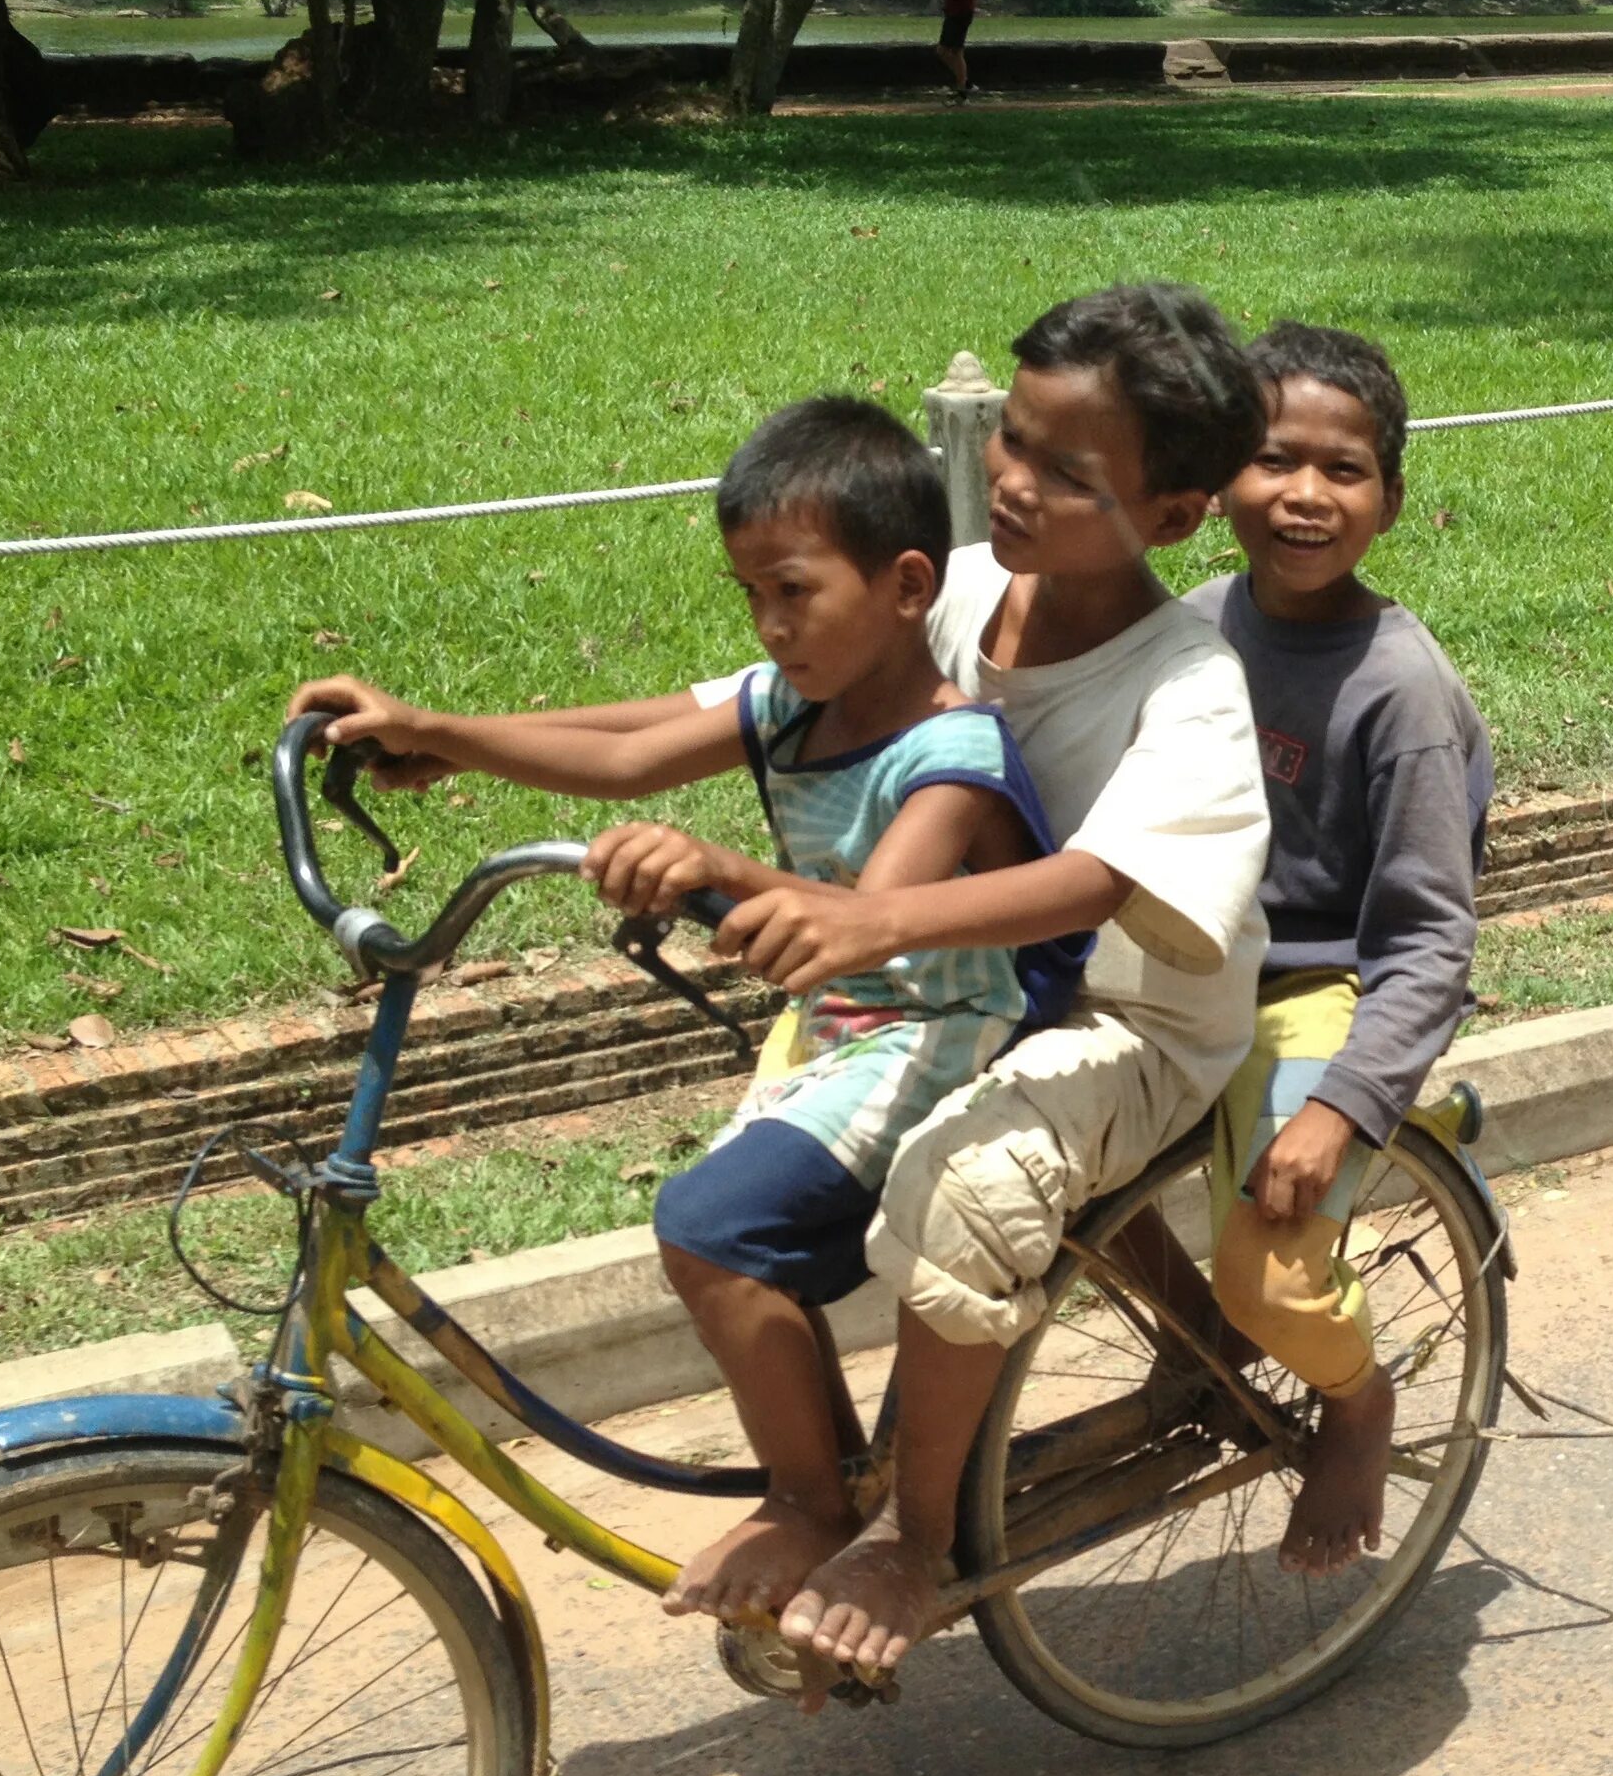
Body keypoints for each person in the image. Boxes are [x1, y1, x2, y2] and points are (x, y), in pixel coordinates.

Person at [377, 287, 1274, 1688]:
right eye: (1014, 441)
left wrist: (868, 916)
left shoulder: (1188, 683)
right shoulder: (958, 584)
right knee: (749, 1184)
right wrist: (446, 734)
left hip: (1132, 1014)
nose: (1015, 482)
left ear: (1175, 513)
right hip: (934, 979)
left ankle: (910, 1536)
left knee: (964, 1190)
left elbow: (1099, 880)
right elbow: (681, 721)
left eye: (1067, 471)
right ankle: (831, 1473)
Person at [286, 398, 1084, 1671]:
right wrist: (437, 733)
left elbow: (872, 914)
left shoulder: (951, 750)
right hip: (848, 1028)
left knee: (711, 1227)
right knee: (738, 1235)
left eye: (792, 590)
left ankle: (816, 1504)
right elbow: (630, 754)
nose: (768, 625)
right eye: (749, 595)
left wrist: (712, 865)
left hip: (943, 1022)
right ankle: (833, 1472)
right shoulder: (789, 704)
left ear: (904, 585)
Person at [1180, 322, 1491, 1577]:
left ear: (1391, 503)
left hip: (1324, 988)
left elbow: (1429, 936)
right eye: (1270, 460)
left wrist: (1348, 1107)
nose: (1304, 494)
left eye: (1343, 471)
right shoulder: (1193, 626)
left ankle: (1358, 1404)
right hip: (1183, 965)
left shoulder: (1400, 691)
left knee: (1275, 1278)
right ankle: (1189, 1345)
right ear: (1215, 484)